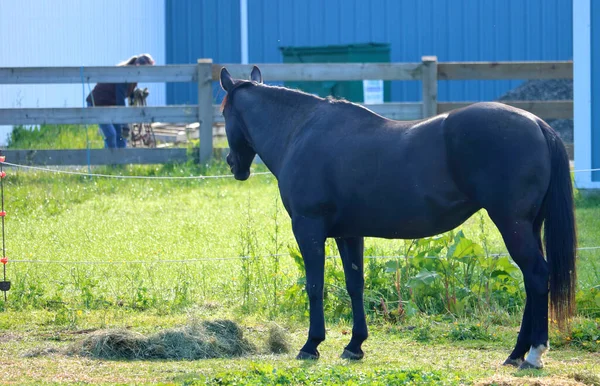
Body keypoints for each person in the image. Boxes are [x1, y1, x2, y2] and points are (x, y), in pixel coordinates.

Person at [86, 54, 155, 148]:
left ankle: (120, 161)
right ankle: (108, 160)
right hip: (97, 104)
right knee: (111, 134)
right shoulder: (124, 74)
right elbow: (120, 98)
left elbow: (124, 92)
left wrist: (135, 94)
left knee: (121, 136)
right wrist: (124, 123)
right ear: (138, 66)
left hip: (111, 105)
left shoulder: (134, 75)